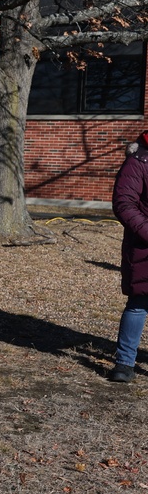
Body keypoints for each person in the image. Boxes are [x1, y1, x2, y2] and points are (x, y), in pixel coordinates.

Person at [108, 130, 148, 383]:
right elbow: (124, 203)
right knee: (139, 303)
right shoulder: (138, 161)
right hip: (145, 246)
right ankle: (124, 362)